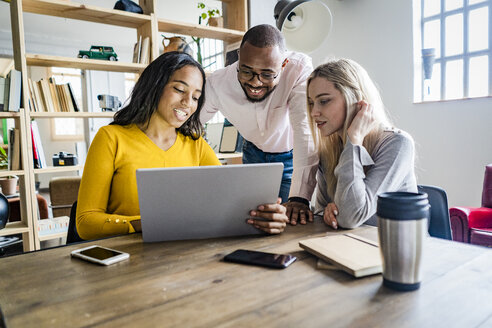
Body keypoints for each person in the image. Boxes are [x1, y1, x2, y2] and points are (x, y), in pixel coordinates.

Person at [76, 52, 288, 240]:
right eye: (179, 89)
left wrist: (266, 215)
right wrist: (143, 224)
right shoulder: (111, 138)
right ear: (156, 85)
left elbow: (229, 204)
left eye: (196, 97)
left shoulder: (196, 145)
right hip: (128, 260)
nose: (188, 102)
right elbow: (86, 223)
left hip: (183, 258)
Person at [200, 24, 318, 226]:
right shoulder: (218, 83)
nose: (255, 82)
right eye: (246, 72)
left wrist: (299, 198)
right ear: (239, 56)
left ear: (283, 64)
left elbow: (304, 130)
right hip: (252, 153)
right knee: (253, 221)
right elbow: (192, 124)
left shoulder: (298, 69)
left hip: (291, 157)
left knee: (289, 222)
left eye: (267, 74)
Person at [306, 58, 417, 229]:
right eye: (312, 103)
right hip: (352, 246)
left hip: (397, 250)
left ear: (354, 98)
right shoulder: (328, 151)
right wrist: (328, 213)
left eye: (324, 101)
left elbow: (350, 217)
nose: (314, 112)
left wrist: (354, 140)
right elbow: (321, 213)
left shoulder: (398, 144)